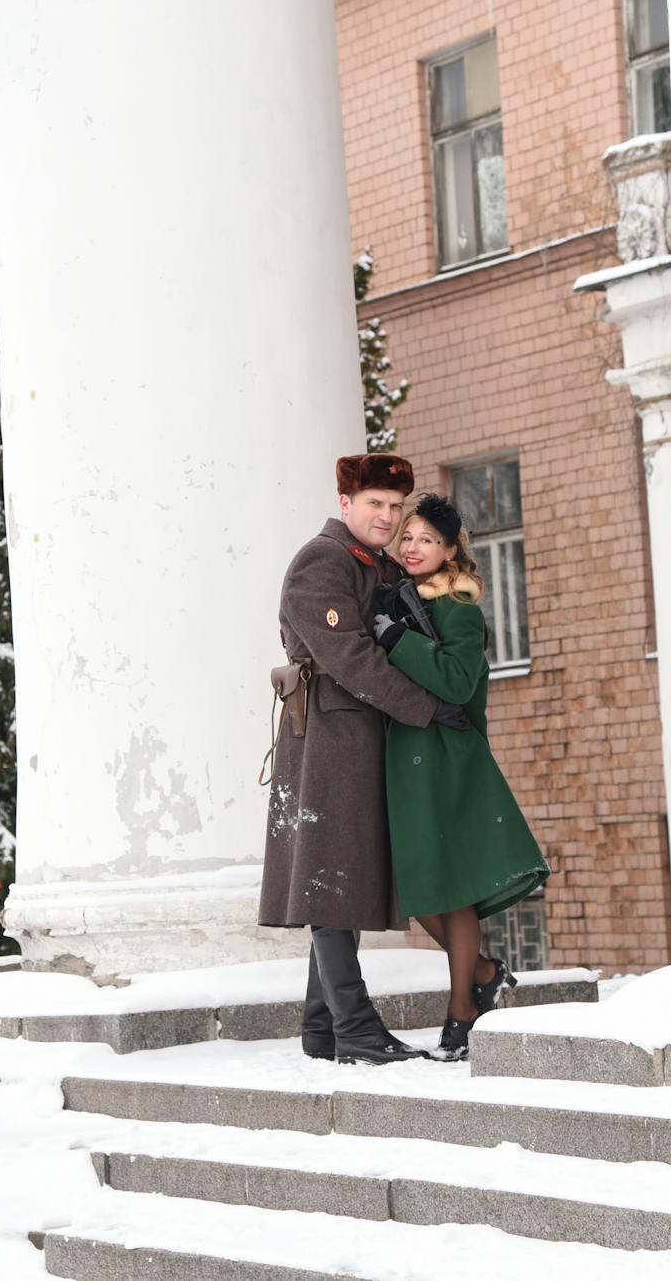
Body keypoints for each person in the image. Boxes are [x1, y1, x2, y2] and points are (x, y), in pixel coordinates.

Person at [258, 454, 472, 1065]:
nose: (385, 516)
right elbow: (349, 656)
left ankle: (322, 1028)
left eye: (394, 506)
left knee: (339, 877)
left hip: (356, 738)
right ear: (346, 503)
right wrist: (425, 707)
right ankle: (354, 1027)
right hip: (326, 737)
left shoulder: (372, 564)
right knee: (329, 880)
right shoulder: (320, 561)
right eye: (373, 503)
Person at [372, 492, 549, 1061]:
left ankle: (461, 1010)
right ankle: (487, 971)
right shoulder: (404, 602)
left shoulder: (459, 609)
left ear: (450, 552)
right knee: (415, 884)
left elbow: (452, 680)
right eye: (409, 537)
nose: (413, 546)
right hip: (409, 758)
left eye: (427, 539)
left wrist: (399, 640)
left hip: (448, 760)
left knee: (451, 890)